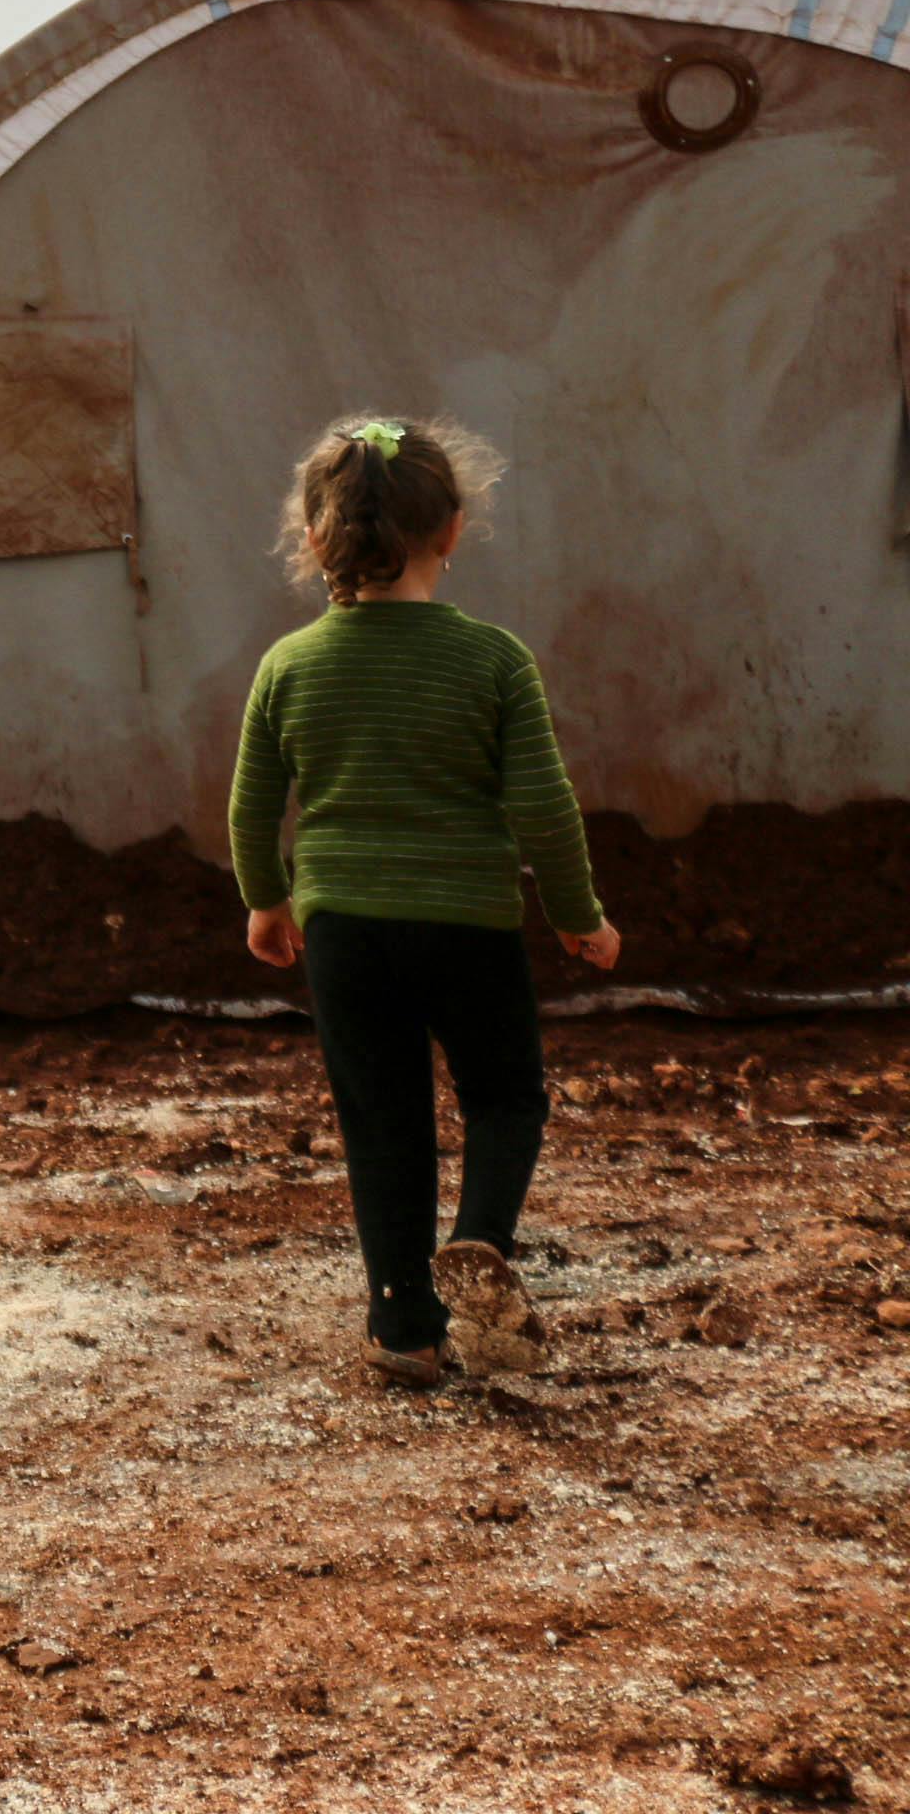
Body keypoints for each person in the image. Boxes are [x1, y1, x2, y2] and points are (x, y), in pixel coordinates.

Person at [228, 417, 619, 1389]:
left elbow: (250, 805)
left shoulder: (288, 665)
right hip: (467, 927)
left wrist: (267, 903)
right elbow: (543, 804)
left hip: (345, 934)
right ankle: (479, 1244)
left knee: (382, 1117)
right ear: (450, 530)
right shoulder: (493, 660)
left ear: (317, 538)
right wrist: (580, 914)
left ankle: (403, 1324)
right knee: (504, 1094)